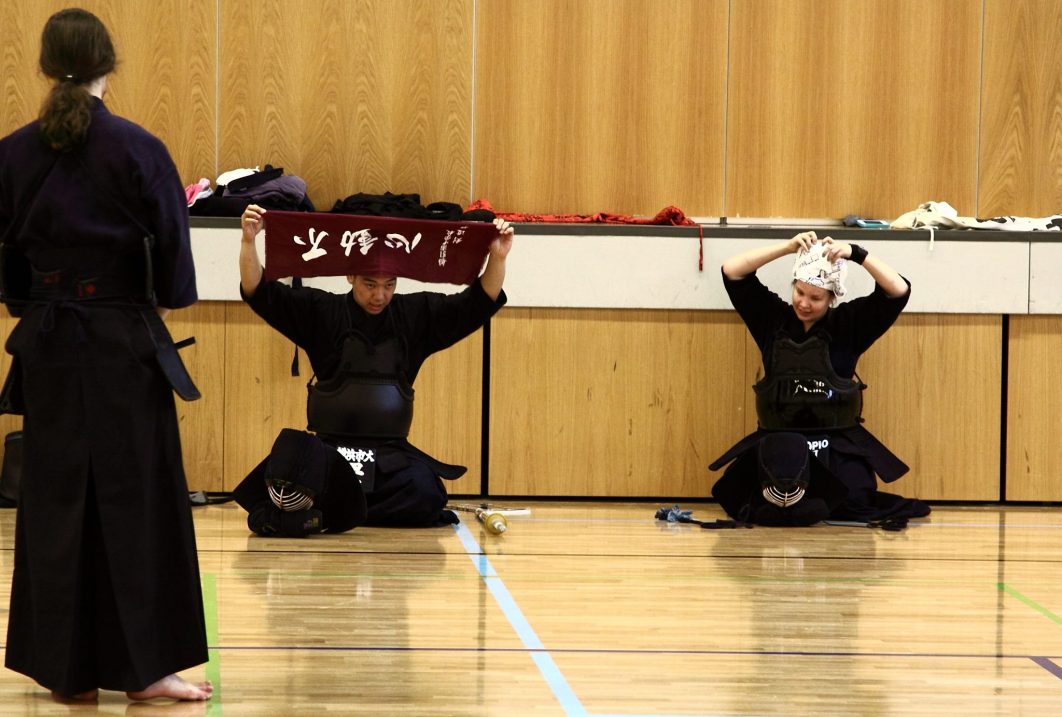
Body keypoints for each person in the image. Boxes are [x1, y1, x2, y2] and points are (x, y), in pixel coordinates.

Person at [0, 9, 212, 702]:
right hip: (122, 343)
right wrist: (140, 310)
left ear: (44, 65)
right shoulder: (139, 149)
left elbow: (8, 269)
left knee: (56, 499)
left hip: (49, 345)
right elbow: (175, 276)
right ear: (108, 65)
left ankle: (64, 671)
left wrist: (37, 305)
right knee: (136, 500)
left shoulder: (13, 153)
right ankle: (146, 669)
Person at [233, 203, 514, 534]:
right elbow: (258, 291)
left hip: (389, 460)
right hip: (331, 455)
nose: (380, 295)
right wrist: (249, 241)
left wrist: (497, 257)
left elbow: (479, 302)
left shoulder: (416, 315)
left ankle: (331, 514)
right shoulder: (321, 312)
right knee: (287, 478)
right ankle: (340, 509)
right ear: (350, 276)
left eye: (389, 285)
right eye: (370, 284)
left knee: (425, 492)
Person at [709, 231, 930, 527]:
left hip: (836, 443)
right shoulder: (771, 320)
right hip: (779, 442)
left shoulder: (850, 324)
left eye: (816, 298)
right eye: (799, 292)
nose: (804, 303)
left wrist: (856, 253)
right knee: (748, 500)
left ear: (832, 296)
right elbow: (732, 271)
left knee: (851, 502)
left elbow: (898, 290)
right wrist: (787, 247)